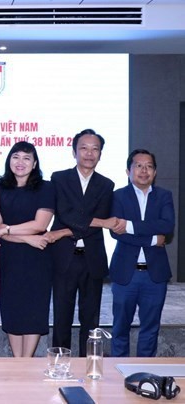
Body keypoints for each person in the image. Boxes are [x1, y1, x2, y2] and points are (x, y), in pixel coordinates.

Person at [44, 128, 124, 357]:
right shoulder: (59, 178)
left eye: (95, 149)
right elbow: (66, 214)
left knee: (91, 320)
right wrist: (104, 222)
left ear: (101, 154)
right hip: (63, 259)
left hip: (92, 259)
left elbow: (88, 225)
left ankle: (89, 366)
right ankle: (60, 365)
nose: (89, 153)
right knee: (62, 317)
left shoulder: (106, 185)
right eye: (84, 148)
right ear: (74, 152)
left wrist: (61, 232)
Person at [0, 142, 55, 358]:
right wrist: (28, 239)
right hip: (9, 258)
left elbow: (40, 225)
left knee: (34, 310)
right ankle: (17, 362)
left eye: (27, 158)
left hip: (37, 261)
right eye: (15, 157)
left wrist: (8, 229)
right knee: (13, 309)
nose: (20, 162)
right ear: (9, 161)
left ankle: (26, 362)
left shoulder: (45, 188)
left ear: (35, 163)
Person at [109, 149, 174, 357]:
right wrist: (154, 238)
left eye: (149, 166)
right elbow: (117, 233)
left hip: (154, 276)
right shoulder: (117, 196)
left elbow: (167, 225)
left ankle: (146, 373)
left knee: (150, 329)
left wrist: (129, 225)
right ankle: (118, 374)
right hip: (125, 274)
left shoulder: (164, 196)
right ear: (128, 171)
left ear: (154, 172)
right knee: (120, 328)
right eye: (138, 166)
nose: (144, 171)